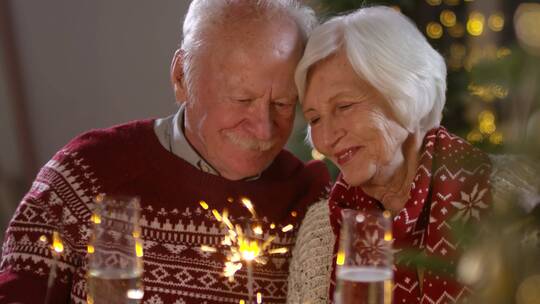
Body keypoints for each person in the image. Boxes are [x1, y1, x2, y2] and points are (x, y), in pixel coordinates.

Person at [0, 1, 329, 303]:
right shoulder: (85, 176)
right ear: (181, 77)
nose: (263, 129)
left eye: (282, 104)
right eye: (241, 100)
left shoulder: (312, 203)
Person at [287, 6, 494, 304]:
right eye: (315, 119)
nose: (327, 138)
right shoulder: (321, 232)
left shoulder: (507, 200)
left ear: (405, 93)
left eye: (343, 106)